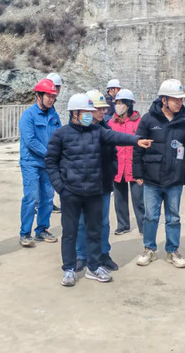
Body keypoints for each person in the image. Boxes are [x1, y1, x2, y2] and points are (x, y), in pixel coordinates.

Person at [46, 93, 152, 287]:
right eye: (86, 112)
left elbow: (116, 136)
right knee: (70, 232)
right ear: (75, 113)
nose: (90, 115)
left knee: (95, 231)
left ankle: (93, 267)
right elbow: (50, 161)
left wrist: (136, 140)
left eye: (91, 111)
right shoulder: (61, 134)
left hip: (94, 191)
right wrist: (61, 188)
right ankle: (69, 269)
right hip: (71, 192)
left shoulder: (97, 131)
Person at [132, 79, 185, 269]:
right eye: (175, 99)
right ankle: (149, 249)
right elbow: (138, 148)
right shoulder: (148, 120)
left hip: (175, 177)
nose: (179, 103)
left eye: (181, 99)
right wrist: (138, 173)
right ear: (164, 100)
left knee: (173, 217)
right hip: (152, 178)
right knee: (150, 216)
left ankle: (172, 251)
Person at [74, 89, 119, 273]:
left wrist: (111, 172)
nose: (102, 112)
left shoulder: (106, 131)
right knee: (82, 222)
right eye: (98, 109)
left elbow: (114, 155)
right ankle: (81, 255)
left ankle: (103, 253)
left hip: (103, 185)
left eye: (103, 109)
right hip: (82, 186)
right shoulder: (76, 132)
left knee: (103, 222)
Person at [18, 78, 61, 248]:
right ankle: (25, 233)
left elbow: (59, 136)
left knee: (48, 197)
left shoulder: (54, 115)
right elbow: (30, 141)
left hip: (48, 164)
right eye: (48, 96)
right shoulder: (28, 115)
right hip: (31, 163)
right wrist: (50, 154)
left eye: (53, 96)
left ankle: (42, 229)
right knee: (31, 197)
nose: (51, 99)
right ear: (38, 95)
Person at [108, 88, 145, 235]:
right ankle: (123, 225)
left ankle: (143, 226)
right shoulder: (111, 123)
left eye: (121, 103)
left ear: (129, 104)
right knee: (119, 198)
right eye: (116, 102)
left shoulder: (139, 123)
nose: (118, 106)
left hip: (135, 166)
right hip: (118, 166)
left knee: (139, 199)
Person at [45, 72, 63, 214]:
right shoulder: (43, 107)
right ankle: (40, 204)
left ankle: (48, 203)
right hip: (44, 151)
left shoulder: (52, 108)